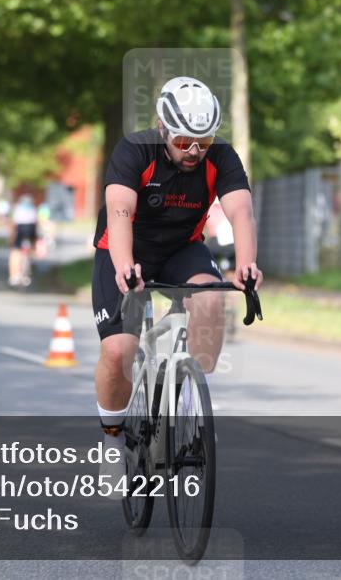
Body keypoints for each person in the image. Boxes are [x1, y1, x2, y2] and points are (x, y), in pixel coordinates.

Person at [92, 76, 262, 479]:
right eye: (184, 141)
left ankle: (189, 404)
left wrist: (247, 264)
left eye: (203, 142)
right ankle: (113, 438)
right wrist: (124, 266)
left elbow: (241, 211)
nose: (194, 151)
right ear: (162, 128)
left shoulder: (221, 156)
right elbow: (119, 211)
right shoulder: (136, 150)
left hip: (180, 248)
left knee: (210, 298)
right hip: (126, 249)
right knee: (118, 352)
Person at [8, 194, 38, 286]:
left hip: (20, 228)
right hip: (31, 228)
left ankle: (14, 276)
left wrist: (11, 237)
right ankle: (30, 262)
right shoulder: (33, 208)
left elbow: (13, 224)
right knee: (32, 246)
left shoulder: (18, 208)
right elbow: (36, 224)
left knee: (15, 251)